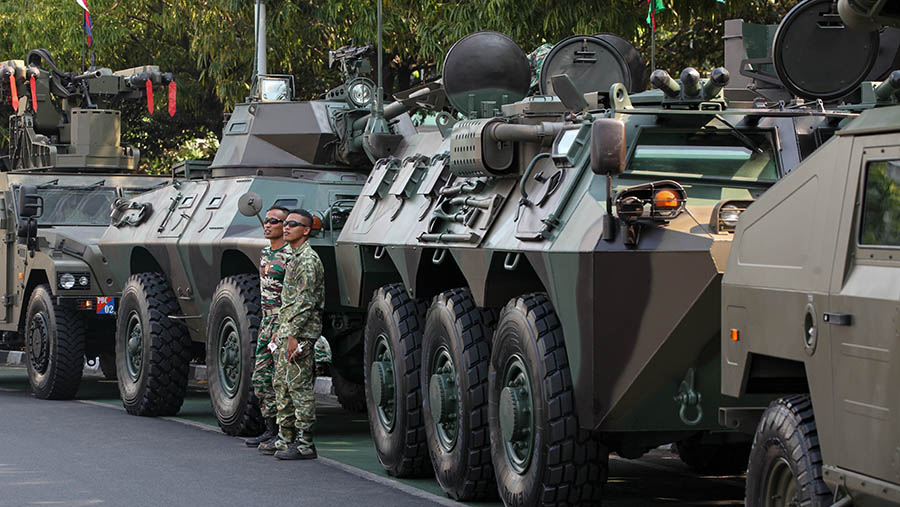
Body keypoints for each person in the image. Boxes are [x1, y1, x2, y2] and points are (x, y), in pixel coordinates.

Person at [259, 209, 325, 460]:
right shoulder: (295, 257)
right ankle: (286, 439)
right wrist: (280, 332)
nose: (285, 228)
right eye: (285, 224)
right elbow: (288, 302)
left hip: (300, 334)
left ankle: (305, 443)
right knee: (282, 385)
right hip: (287, 330)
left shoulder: (308, 260)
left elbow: (305, 301)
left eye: (293, 225)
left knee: (299, 387)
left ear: (306, 230)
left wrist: (293, 335)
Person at [245, 206, 291, 447]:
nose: (268, 224)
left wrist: (283, 326)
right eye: (267, 220)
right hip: (266, 321)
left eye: (275, 221)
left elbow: (295, 296)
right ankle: (270, 429)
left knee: (282, 380)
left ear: (286, 226)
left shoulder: (291, 256)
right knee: (262, 377)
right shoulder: (264, 254)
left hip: (282, 323)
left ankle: (285, 434)